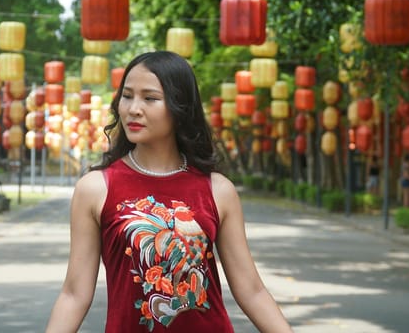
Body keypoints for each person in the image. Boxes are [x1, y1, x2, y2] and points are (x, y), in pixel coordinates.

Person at [45, 51, 292, 332]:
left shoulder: (217, 190)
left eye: (150, 98)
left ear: (180, 107)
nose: (133, 109)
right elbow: (74, 294)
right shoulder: (95, 189)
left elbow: (252, 291)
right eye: (127, 96)